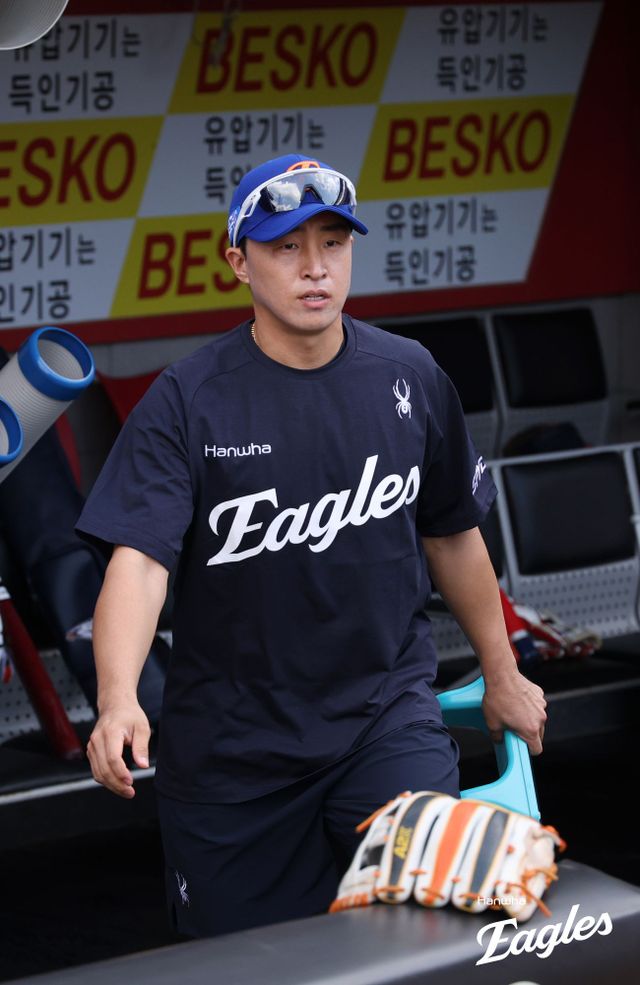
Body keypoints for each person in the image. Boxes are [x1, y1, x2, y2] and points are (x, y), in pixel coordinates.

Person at [76, 154, 547, 938]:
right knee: (251, 967)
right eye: (286, 247)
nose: (315, 267)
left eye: (332, 242)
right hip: (233, 754)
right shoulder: (188, 399)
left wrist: (502, 673)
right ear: (240, 262)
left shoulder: (409, 375)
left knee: (433, 933)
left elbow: (453, 535)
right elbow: (141, 561)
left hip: (383, 721)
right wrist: (119, 695)